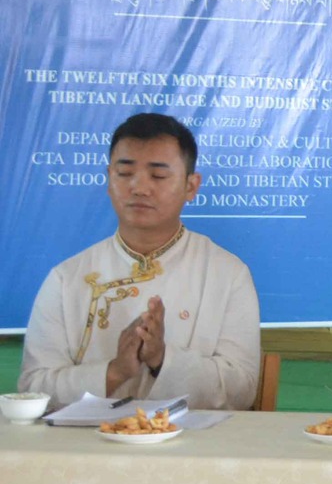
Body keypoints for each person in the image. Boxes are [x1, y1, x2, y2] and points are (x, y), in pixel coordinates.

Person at [22, 114, 260, 410]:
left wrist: (162, 359)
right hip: (85, 438)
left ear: (191, 186)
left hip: (193, 437)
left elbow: (242, 390)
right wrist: (114, 372)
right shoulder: (67, 278)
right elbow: (33, 387)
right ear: (109, 179)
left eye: (158, 176)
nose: (139, 188)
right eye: (125, 173)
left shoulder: (228, 274)